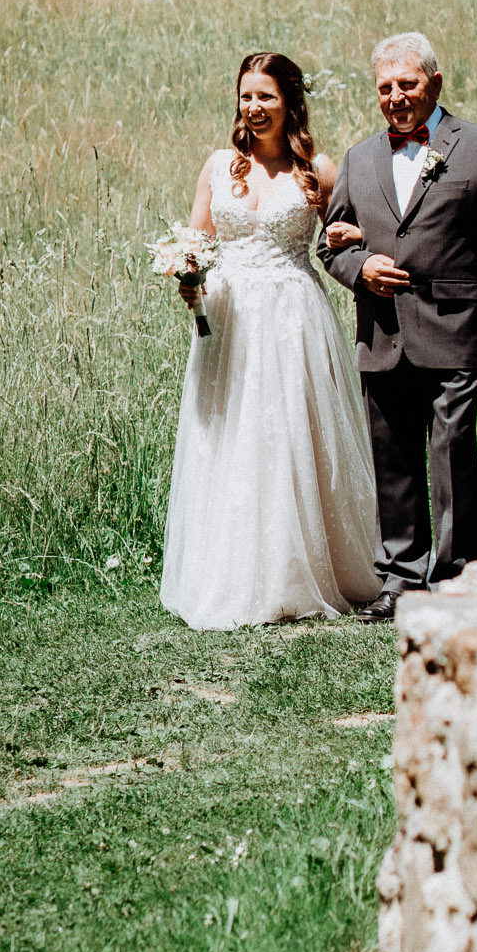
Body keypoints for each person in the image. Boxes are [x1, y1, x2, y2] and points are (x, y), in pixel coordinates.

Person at [160, 52, 382, 629]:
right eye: (245, 97)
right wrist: (189, 277)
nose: (253, 109)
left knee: (288, 436)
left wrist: (353, 235)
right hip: (228, 317)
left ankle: (296, 570)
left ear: (290, 103)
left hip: (293, 318)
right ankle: (230, 574)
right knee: (233, 433)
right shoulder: (218, 166)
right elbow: (197, 241)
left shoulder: (319, 171)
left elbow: (343, 241)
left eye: (266, 98)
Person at [317, 32, 477, 620]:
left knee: (453, 455)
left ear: (434, 83)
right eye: (384, 87)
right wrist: (360, 269)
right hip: (382, 333)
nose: (395, 97)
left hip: (457, 329)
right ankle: (401, 578)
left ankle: (457, 577)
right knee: (393, 460)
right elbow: (328, 245)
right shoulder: (360, 158)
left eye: (406, 84)